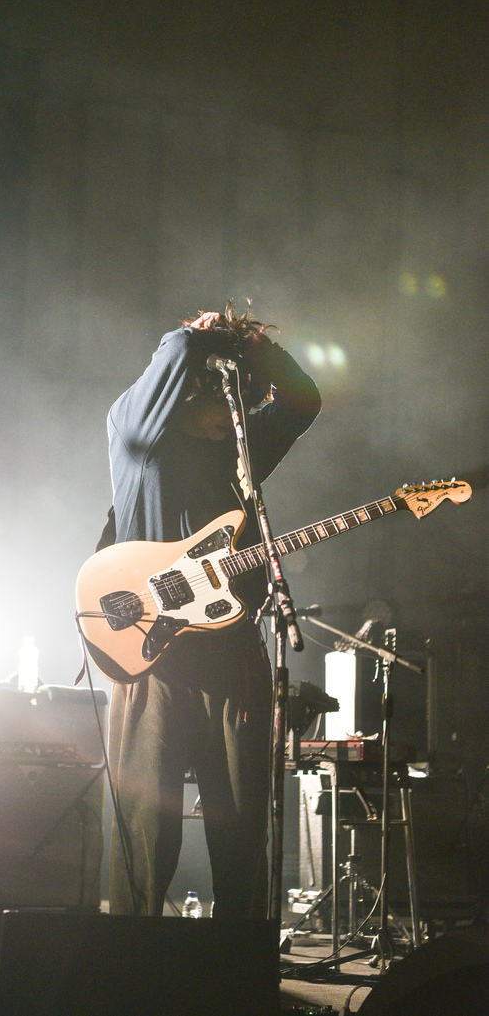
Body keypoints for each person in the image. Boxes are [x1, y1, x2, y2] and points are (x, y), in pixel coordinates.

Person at [102, 301, 321, 918]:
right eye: (221, 405)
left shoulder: (238, 454)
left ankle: (238, 966)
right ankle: (130, 966)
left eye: (240, 407)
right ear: (189, 391)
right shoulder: (137, 434)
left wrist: (255, 353)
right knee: (145, 831)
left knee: (243, 825)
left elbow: (305, 400)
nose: (232, 419)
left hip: (232, 653)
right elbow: (170, 359)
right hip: (153, 659)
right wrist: (196, 337)